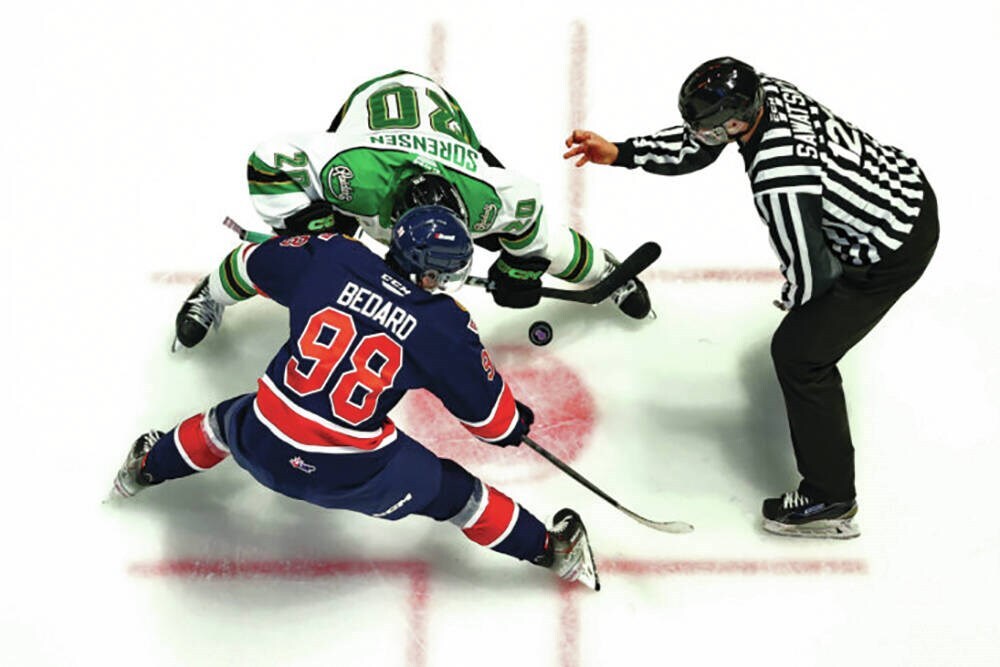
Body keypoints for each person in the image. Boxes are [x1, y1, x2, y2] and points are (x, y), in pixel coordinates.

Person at [112, 207, 600, 590]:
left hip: (261, 437)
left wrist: (212, 299)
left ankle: (143, 470)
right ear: (434, 276)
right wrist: (515, 422)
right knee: (456, 495)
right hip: (351, 472)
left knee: (221, 424)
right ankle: (551, 551)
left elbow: (247, 264)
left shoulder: (332, 255)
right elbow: (491, 425)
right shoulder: (443, 322)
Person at [563, 57, 939, 539]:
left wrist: (797, 305)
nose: (703, 135)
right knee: (804, 337)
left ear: (736, 122)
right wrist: (622, 151)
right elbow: (698, 144)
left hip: (893, 247)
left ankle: (831, 498)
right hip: (904, 187)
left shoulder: (779, 177)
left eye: (712, 128)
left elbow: (812, 276)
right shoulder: (767, 91)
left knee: (800, 354)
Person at [174, 70, 651, 351]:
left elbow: (527, 209)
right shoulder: (351, 179)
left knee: (546, 241)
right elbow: (273, 160)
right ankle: (211, 293)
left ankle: (607, 271)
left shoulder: (484, 199)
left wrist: (522, 265)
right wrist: (308, 227)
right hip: (372, 134)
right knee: (300, 252)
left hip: (448, 151)